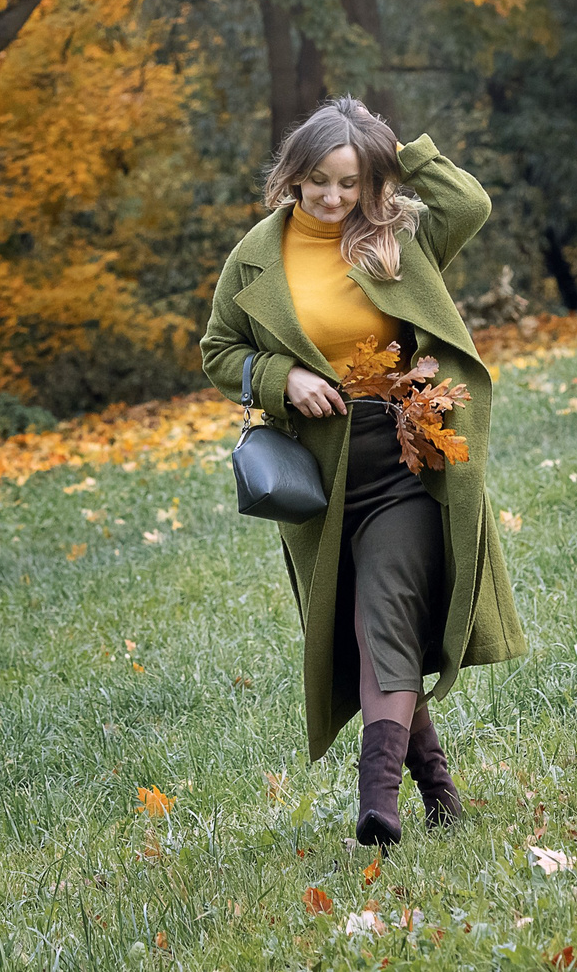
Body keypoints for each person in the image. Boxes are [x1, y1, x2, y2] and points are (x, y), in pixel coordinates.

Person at [201, 98, 527, 845]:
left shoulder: (395, 237)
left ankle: (376, 805)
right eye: (319, 180)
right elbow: (218, 349)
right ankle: (438, 787)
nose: (333, 197)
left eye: (350, 181)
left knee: (383, 614)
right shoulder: (257, 254)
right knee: (362, 631)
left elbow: (467, 200)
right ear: (294, 174)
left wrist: (387, 141)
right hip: (318, 480)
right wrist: (280, 376)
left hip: (405, 462)